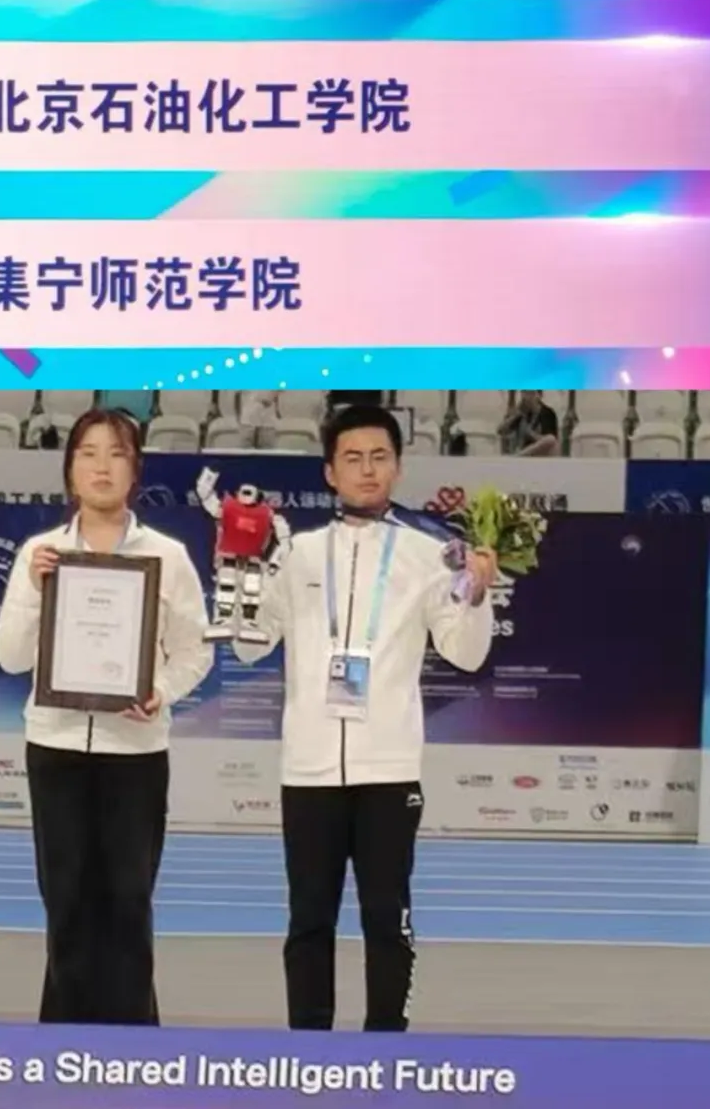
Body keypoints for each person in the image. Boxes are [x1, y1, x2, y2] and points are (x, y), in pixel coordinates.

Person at [236, 403, 497, 1034]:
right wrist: (243, 569)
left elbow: (466, 653)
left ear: (398, 466)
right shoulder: (295, 554)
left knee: (387, 917)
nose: (367, 469)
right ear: (330, 472)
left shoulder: (431, 555)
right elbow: (248, 646)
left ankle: (387, 1048)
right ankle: (310, 1051)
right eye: (352, 458)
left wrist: (478, 591)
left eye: (379, 457)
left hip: (389, 768)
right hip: (309, 770)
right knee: (309, 920)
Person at [0, 407, 213, 1026]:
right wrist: (35, 591)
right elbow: (10, 657)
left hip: (134, 754)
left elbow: (196, 651)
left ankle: (135, 1047)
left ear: (135, 471)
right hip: (56, 749)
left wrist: (161, 690)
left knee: (127, 903)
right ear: (70, 471)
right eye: (88, 453)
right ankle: (63, 1046)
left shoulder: (167, 557)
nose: (102, 467)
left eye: (116, 454)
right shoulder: (40, 554)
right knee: (65, 902)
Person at [501, 390, 560, 457]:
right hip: (524, 451)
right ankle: (519, 455)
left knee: (550, 439)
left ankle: (518, 456)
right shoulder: (521, 412)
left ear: (539, 396)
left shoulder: (547, 413)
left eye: (531, 393)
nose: (526, 397)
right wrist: (515, 416)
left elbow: (550, 441)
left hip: (541, 453)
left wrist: (530, 433)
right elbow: (501, 431)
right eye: (524, 392)